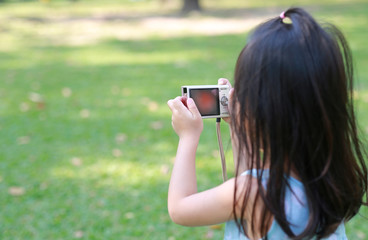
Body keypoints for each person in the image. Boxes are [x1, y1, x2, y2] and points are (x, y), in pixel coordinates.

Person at [167, 7, 367, 240]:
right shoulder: (330, 182)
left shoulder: (252, 192)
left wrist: (188, 137)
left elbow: (180, 208)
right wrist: (238, 129)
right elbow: (249, 177)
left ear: (266, 115)